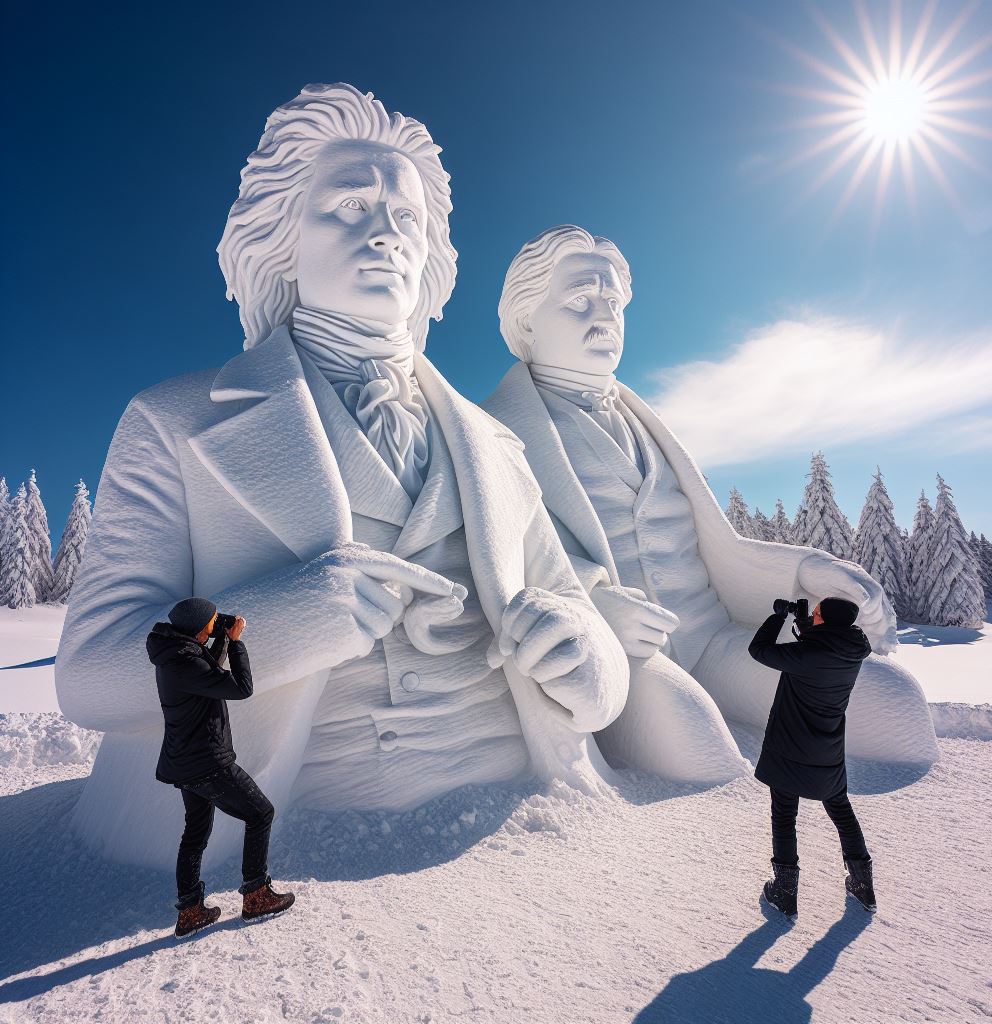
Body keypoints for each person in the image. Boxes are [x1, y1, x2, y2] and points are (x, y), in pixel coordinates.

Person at [55, 85, 628, 873]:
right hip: (285, 856)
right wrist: (283, 620)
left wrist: (588, 661)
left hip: (523, 834)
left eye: (407, 219)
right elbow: (90, 676)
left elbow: (576, 607)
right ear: (281, 237)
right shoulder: (172, 422)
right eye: (351, 207)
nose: (387, 235)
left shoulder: (495, 443)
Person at [483, 224, 939, 774]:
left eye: (613, 301)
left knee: (893, 704)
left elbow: (719, 548)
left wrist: (807, 572)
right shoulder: (492, 433)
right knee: (706, 759)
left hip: (715, 641)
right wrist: (590, 607)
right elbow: (495, 556)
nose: (604, 316)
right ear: (526, 319)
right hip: (628, 657)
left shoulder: (644, 422)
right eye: (580, 299)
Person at [149, 596, 295, 938]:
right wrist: (238, 643)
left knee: (195, 833)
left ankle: (189, 911)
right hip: (207, 762)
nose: (218, 623)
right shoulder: (186, 662)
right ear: (200, 629)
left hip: (184, 762)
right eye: (213, 621)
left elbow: (207, 671)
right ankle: (256, 895)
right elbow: (240, 688)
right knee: (260, 814)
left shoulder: (175, 654)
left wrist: (221, 637)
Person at [748, 596, 877, 922]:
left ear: (827, 621)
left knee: (784, 814)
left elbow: (759, 650)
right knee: (841, 812)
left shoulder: (808, 654)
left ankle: (785, 891)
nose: (813, 614)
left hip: (790, 748)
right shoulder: (851, 651)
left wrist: (777, 617)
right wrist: (807, 626)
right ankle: (863, 884)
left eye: (817, 613)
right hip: (828, 749)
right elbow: (822, 649)